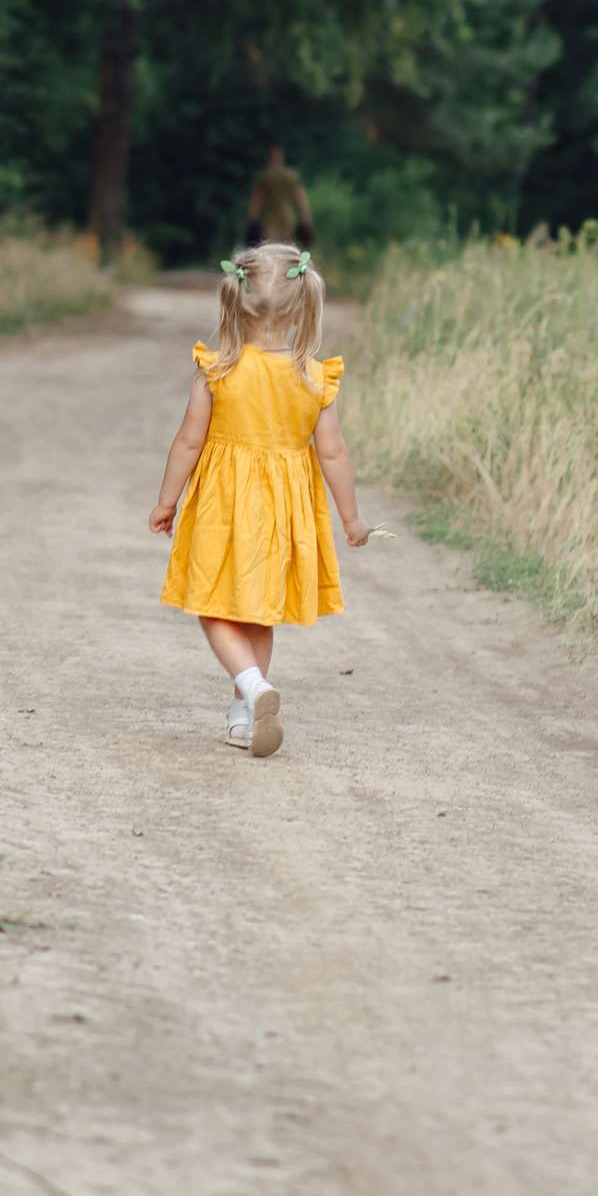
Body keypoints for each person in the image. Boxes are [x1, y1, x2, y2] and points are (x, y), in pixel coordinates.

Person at [147, 241, 370, 756]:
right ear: (300, 310)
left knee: (212, 604)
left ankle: (252, 688)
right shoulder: (313, 377)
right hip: (283, 512)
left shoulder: (218, 369)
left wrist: (166, 501)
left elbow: (187, 441)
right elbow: (333, 453)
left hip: (224, 507)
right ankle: (242, 720)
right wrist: (351, 518)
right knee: (258, 613)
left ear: (235, 304)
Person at [246, 145, 314, 249]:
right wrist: (306, 217)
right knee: (287, 248)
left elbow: (257, 199)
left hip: (269, 219)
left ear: (268, 158)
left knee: (271, 248)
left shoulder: (264, 175)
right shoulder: (291, 175)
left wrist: (252, 219)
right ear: (281, 157)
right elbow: (300, 198)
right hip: (288, 217)